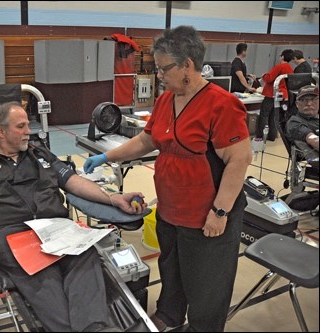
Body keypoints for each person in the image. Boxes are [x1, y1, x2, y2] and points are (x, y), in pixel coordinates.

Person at [84, 25, 252, 332]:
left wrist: (220, 212)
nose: (159, 75)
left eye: (164, 69)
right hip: (171, 210)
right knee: (171, 271)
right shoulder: (166, 100)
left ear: (187, 65)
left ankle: (203, 327)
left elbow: (239, 160)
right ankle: (169, 316)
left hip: (207, 218)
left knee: (206, 284)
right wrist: (107, 157)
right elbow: (148, 141)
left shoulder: (221, 104)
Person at [0, 101, 146, 332]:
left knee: (85, 254)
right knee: (44, 272)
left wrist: (112, 198)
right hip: (11, 234)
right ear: (1, 131)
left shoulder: (39, 154)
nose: (29, 131)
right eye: (21, 126)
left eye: (28, 125)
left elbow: (72, 181)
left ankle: (95, 328)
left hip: (57, 228)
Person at [256, 49, 294, 141]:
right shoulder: (290, 68)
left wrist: (264, 75)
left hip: (272, 94)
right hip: (282, 95)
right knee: (274, 116)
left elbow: (269, 78)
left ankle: (261, 136)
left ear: (282, 57)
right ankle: (272, 136)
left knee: (264, 115)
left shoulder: (279, 66)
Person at [286, 85, 319, 164]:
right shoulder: (294, 123)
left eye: (313, 99)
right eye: (304, 100)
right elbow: (313, 139)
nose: (309, 103)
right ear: (297, 104)